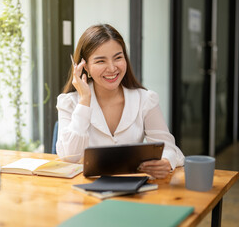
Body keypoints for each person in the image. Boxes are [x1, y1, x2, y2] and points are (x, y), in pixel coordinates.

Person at [56, 24, 184, 179]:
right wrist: (84, 100)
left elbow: (171, 149)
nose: (112, 68)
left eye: (118, 58)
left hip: (132, 190)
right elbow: (69, 157)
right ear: (85, 67)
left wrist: (165, 161)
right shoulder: (69, 102)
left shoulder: (146, 100)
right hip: (84, 192)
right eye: (100, 61)